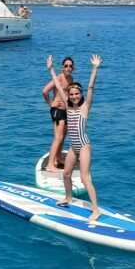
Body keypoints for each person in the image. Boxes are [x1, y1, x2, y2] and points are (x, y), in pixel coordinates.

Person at [48, 54, 102, 221]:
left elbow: (91, 87)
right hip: (73, 147)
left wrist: (94, 68)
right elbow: (57, 84)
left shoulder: (85, 107)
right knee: (66, 174)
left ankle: (96, 209)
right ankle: (69, 197)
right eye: (71, 94)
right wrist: (51, 69)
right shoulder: (68, 107)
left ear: (81, 94)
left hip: (84, 146)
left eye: (76, 94)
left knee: (85, 177)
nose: (73, 96)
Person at [41, 56, 74, 172]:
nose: (68, 68)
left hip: (66, 111)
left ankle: (57, 159)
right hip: (57, 110)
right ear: (62, 68)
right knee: (58, 137)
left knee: (63, 136)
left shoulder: (71, 79)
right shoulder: (59, 78)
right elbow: (44, 91)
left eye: (70, 66)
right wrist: (50, 103)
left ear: (73, 68)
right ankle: (50, 165)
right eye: (66, 66)